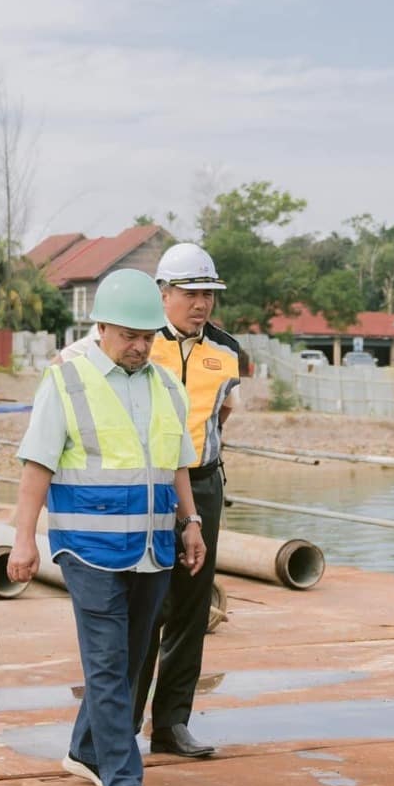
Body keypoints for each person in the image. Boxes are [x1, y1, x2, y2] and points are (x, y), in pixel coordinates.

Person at [6, 269, 207, 786]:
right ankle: (124, 782)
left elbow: (176, 463)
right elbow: (37, 465)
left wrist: (190, 522)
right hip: (87, 547)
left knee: (131, 661)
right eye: (129, 336)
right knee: (107, 661)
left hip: (150, 548)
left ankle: (83, 750)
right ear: (101, 328)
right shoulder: (66, 379)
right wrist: (23, 540)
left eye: (148, 337)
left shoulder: (166, 385)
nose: (141, 347)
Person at [130, 242, 243, 758]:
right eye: (190, 293)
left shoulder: (225, 352)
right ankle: (122, 722)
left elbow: (222, 417)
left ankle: (171, 724)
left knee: (192, 607)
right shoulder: (138, 344)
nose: (201, 304)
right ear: (163, 293)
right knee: (142, 604)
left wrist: (201, 467)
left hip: (201, 483)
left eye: (209, 295)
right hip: (143, 484)